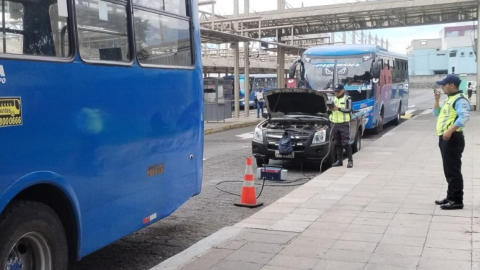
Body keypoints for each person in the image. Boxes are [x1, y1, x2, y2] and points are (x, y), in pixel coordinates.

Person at [433, 74, 470, 210]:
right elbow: (436, 113)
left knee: (453, 170)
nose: (442, 87)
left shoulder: (460, 100)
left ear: (452, 85)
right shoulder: (449, 99)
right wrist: (437, 100)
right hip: (445, 138)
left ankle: (457, 200)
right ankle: (450, 197)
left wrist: (450, 131)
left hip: (453, 138)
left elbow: (465, 116)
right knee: (448, 169)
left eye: (444, 84)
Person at [330, 84, 353, 168]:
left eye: (338, 91)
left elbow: (349, 109)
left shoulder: (347, 98)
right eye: (335, 91)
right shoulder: (333, 98)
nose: (336, 93)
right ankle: (339, 161)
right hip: (335, 123)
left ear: (342, 90)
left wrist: (338, 108)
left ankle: (350, 161)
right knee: (337, 143)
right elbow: (330, 110)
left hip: (344, 124)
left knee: (346, 143)